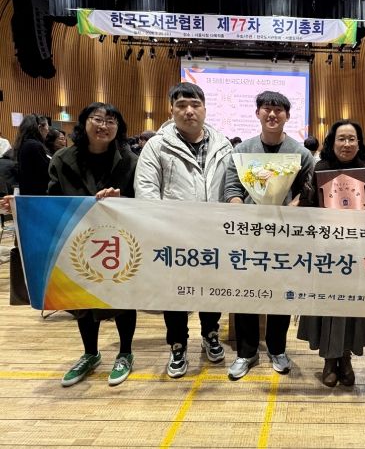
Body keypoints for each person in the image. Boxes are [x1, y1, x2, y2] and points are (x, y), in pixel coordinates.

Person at [135, 82, 232, 378]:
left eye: (195, 104)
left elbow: (231, 187)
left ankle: (210, 334)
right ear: (171, 110)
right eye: (181, 105)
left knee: (212, 289)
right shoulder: (157, 146)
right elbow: (146, 190)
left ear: (204, 108)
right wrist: (164, 227)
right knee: (175, 293)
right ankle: (177, 345)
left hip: (214, 234)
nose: (189, 111)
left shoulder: (223, 145)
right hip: (173, 237)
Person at [224, 91, 314, 380]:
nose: (272, 114)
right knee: (245, 292)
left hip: (285, 236)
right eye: (266, 109)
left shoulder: (301, 154)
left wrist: (290, 208)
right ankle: (246, 352)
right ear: (257, 113)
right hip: (248, 235)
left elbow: (307, 190)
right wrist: (242, 211)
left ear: (287, 116)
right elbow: (231, 189)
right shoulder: (242, 152)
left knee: (281, 293)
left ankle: (277, 348)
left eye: (278, 110)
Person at [48, 103, 138, 386]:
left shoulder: (130, 160)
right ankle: (90, 353)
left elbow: (142, 201)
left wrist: (122, 199)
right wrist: (17, 206)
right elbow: (50, 200)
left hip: (119, 238)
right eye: (97, 119)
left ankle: (125, 353)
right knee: (82, 297)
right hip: (78, 238)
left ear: (118, 128)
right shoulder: (62, 159)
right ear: (84, 122)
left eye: (111, 121)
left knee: (123, 296)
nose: (103, 126)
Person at [298, 119, 365, 387]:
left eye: (351, 139)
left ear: (359, 143)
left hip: (358, 253)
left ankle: (345, 358)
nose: (346, 144)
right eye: (341, 139)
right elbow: (307, 206)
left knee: (351, 306)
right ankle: (329, 359)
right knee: (328, 305)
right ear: (332, 142)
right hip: (326, 253)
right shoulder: (319, 169)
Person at [14, 115, 50, 196]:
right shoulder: (34, 145)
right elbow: (45, 172)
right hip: (36, 195)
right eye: (47, 127)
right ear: (40, 127)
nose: (48, 131)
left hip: (27, 194)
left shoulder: (24, 144)